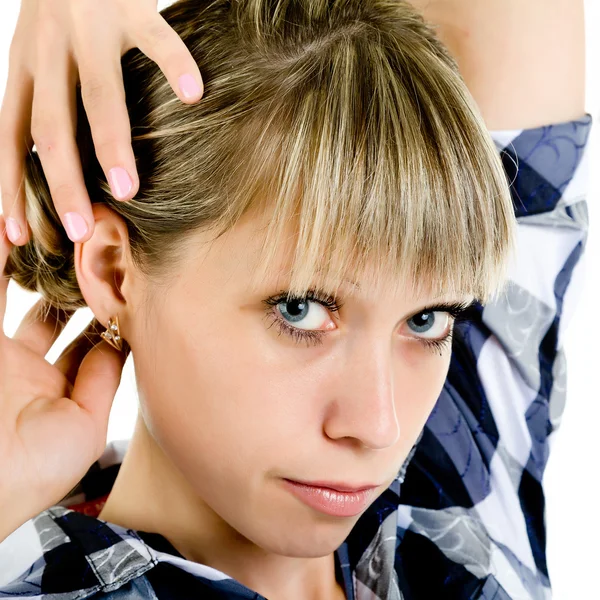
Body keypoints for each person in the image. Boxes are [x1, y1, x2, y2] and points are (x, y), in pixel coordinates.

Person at [0, 0, 592, 598]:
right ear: (114, 272)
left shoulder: (461, 478)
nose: (378, 426)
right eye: (301, 309)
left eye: (426, 319)